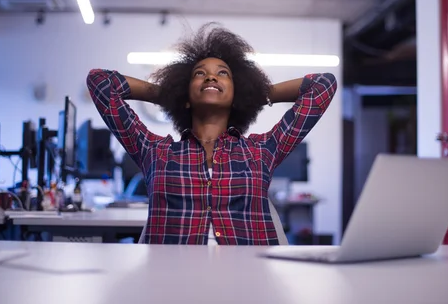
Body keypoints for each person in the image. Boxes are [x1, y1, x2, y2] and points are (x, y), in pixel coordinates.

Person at [86, 24, 337, 245]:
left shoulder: (261, 152)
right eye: (199, 73)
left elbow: (323, 85)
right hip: (169, 282)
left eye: (223, 73)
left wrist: (256, 94)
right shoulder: (155, 153)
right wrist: (168, 94)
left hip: (249, 283)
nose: (211, 76)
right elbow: (100, 82)